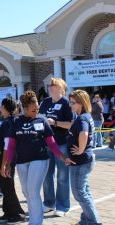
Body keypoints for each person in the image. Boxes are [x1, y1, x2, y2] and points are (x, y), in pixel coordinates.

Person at [5, 91, 73, 225]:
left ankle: (35, 222)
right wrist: (7, 163)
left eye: (38, 109)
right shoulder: (16, 122)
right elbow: (11, 144)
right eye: (33, 109)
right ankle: (35, 218)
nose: (37, 111)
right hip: (22, 161)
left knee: (33, 191)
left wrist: (62, 156)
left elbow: (51, 142)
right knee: (26, 192)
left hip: (40, 159)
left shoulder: (42, 120)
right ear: (25, 107)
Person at [39, 78, 73, 216]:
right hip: (46, 143)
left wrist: (56, 122)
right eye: (50, 85)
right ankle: (48, 203)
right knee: (47, 175)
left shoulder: (66, 103)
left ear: (60, 88)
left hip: (62, 143)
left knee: (63, 176)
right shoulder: (46, 102)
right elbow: (39, 118)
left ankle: (63, 206)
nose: (50, 86)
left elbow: (71, 124)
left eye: (53, 85)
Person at [67, 90, 102, 225]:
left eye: (73, 103)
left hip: (81, 162)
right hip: (81, 161)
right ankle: (87, 220)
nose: (71, 105)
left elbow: (84, 133)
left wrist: (80, 149)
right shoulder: (83, 116)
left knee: (79, 193)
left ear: (80, 103)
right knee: (85, 191)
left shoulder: (82, 118)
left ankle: (93, 221)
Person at [0, 97, 25, 224]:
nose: (0, 108)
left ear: (5, 107)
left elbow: (7, 145)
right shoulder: (9, 121)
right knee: (6, 186)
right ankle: (8, 212)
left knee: (8, 187)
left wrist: (4, 165)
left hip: (5, 159)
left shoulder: (8, 123)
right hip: (5, 158)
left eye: (1, 106)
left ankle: (18, 214)